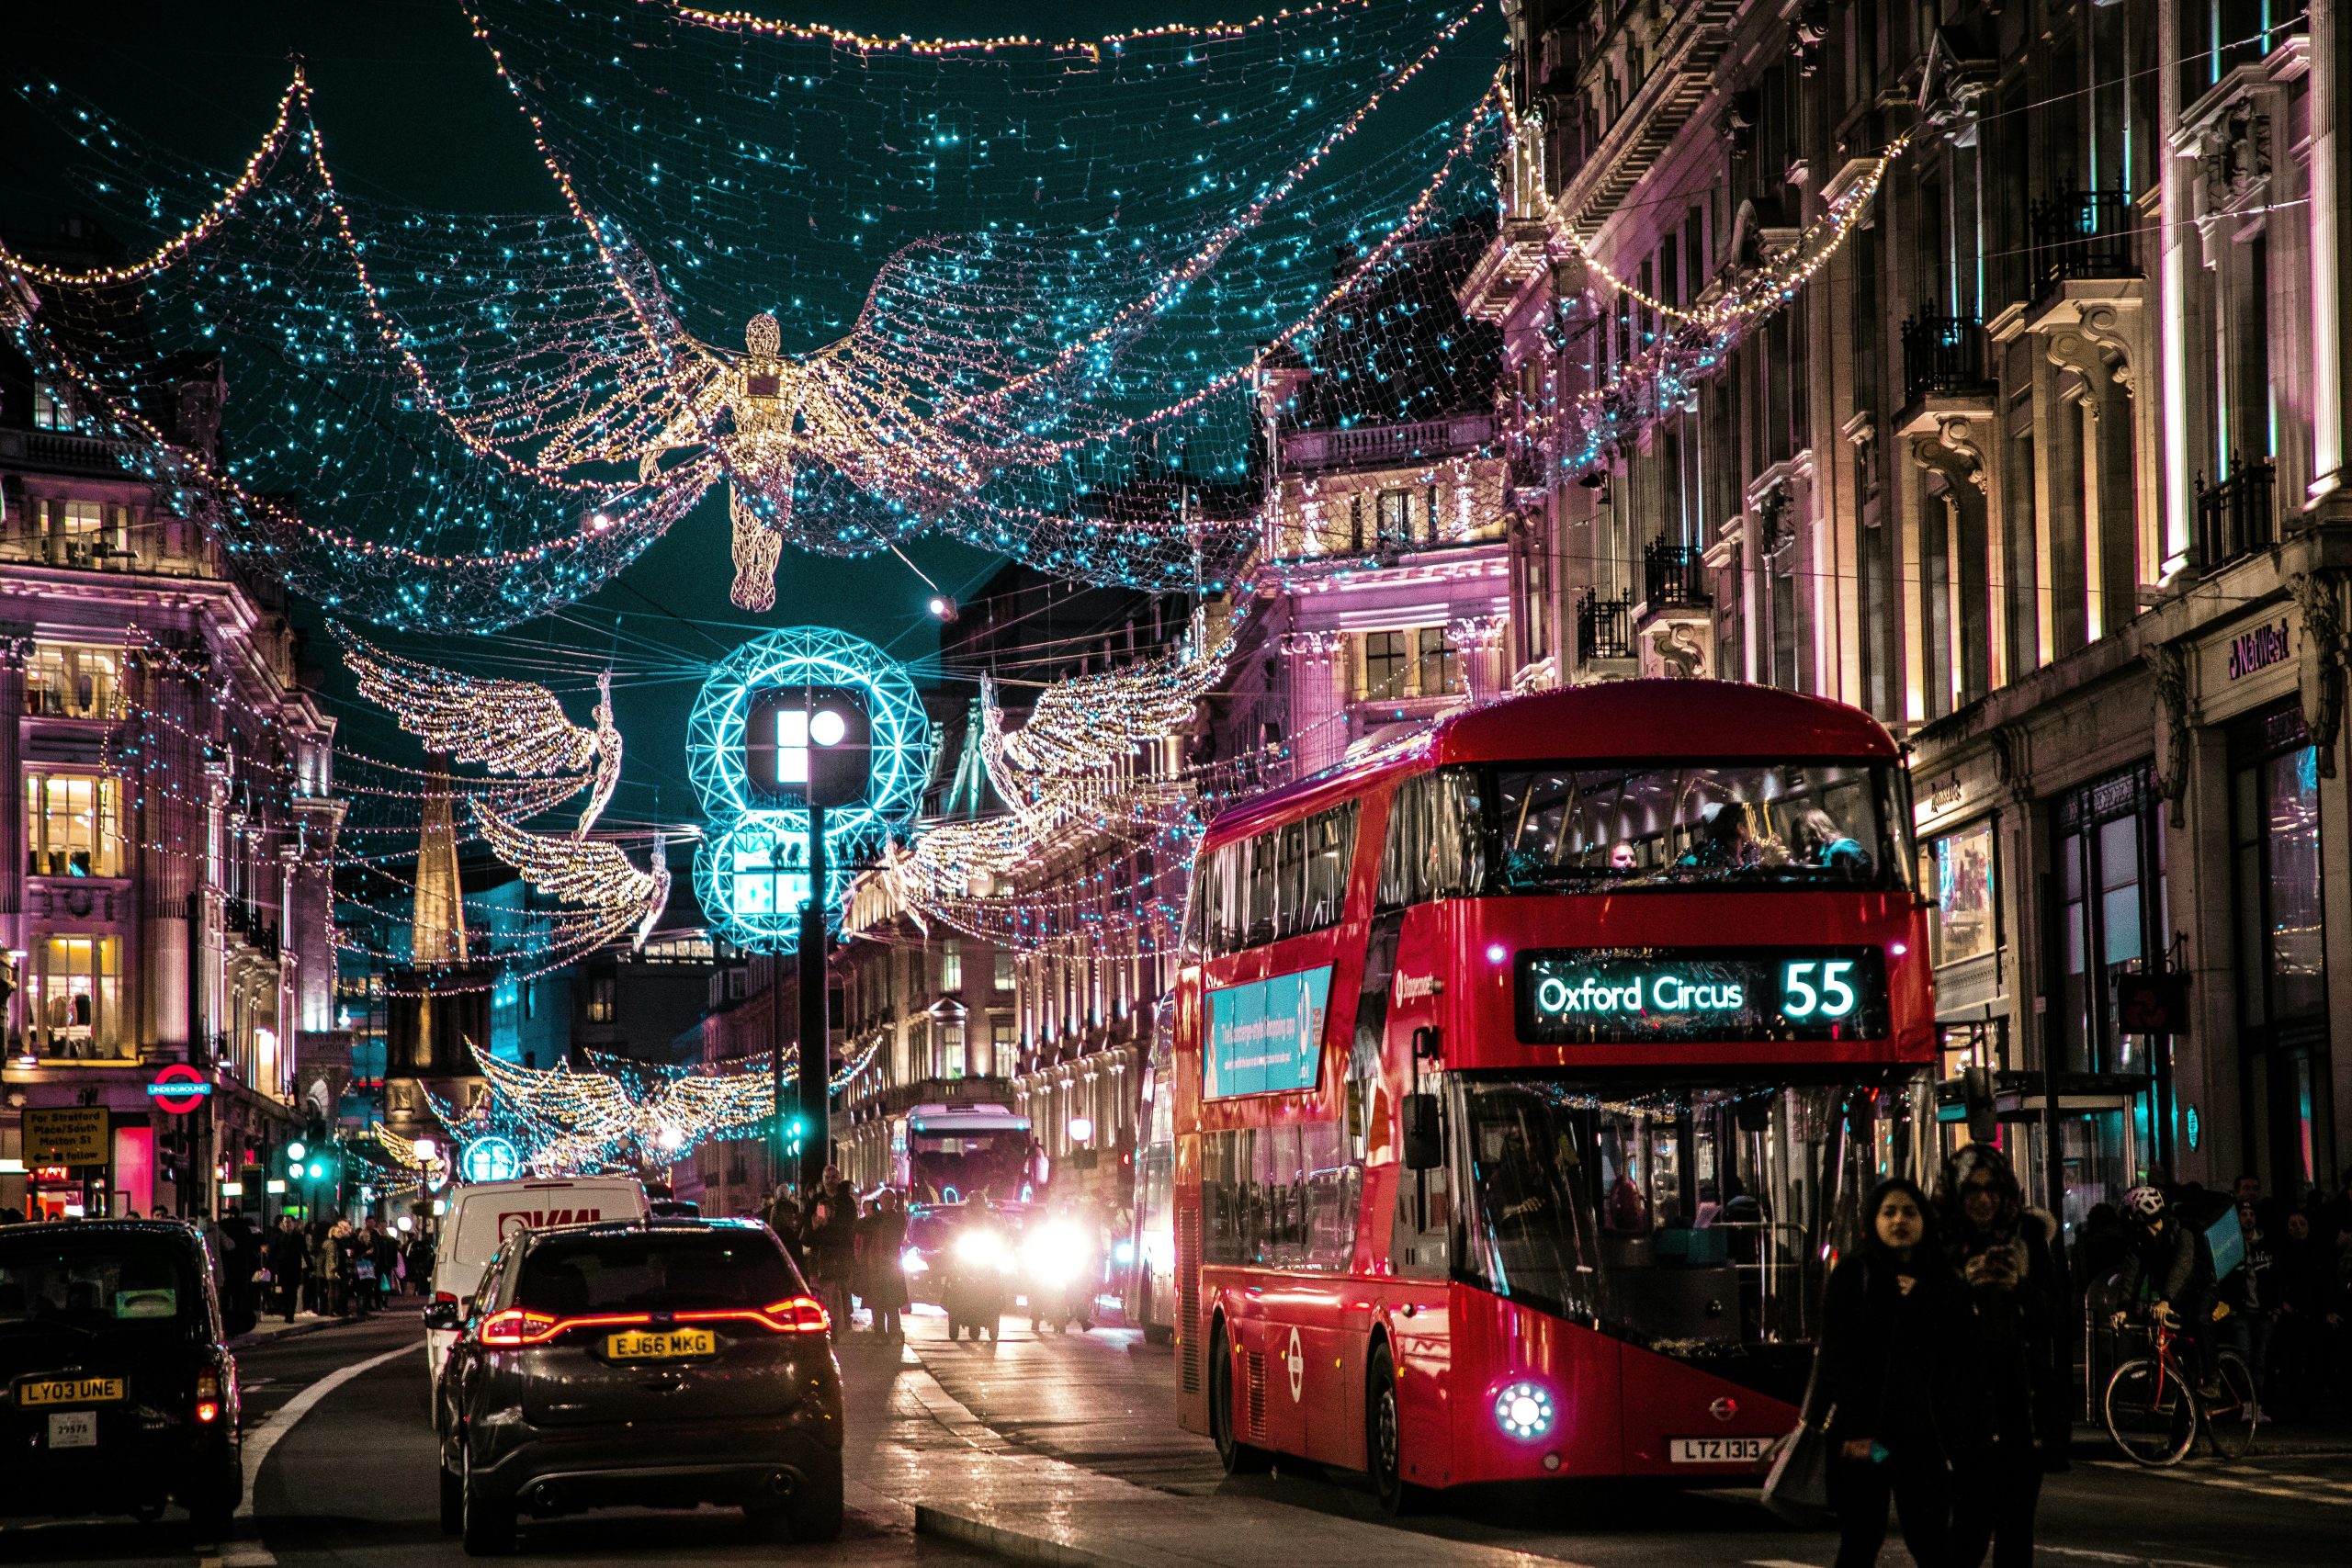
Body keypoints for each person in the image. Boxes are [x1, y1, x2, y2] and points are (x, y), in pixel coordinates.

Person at [1812, 1178, 1969, 1568]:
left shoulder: (1941, 1278)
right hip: (1869, 1439)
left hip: (1924, 1439)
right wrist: (1846, 1431)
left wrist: (1922, 1299)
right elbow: (1836, 1356)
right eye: (1889, 1212)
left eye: (1910, 1212)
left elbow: (1959, 1352)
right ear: (1873, 1220)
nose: (1900, 1221)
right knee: (1862, 1538)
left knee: (1930, 1539)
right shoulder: (1854, 1274)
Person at [1940, 1145, 2067, 1568]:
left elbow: (2054, 1318)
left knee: (2016, 1533)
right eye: (1972, 1189)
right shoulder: (1941, 1243)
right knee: (1969, 1530)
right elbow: (1923, 1326)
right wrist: (1964, 1288)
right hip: (1962, 1409)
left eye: (1992, 1189)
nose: (1983, 1199)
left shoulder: (2027, 1237)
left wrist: (2020, 1288)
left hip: (2021, 1409)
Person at [2111, 1183, 2220, 1397]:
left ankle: (2213, 1381)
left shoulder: (2182, 1231)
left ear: (2140, 1215)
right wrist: (2123, 1307)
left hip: (2201, 1288)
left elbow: (2183, 1267)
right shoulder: (2141, 1240)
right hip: (2172, 1296)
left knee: (2199, 1320)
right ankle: (2186, 1407)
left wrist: (2166, 1300)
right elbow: (2132, 1274)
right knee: (2176, 1348)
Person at [2216, 1201, 2274, 1420]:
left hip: (2263, 1312)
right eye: (2244, 1214)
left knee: (2259, 1360)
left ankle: (2255, 1404)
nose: (2248, 1218)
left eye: (2251, 1214)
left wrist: (2274, 1308)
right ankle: (2247, 1403)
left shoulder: (2265, 1245)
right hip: (2240, 1311)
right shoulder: (2231, 1245)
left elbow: (2274, 1278)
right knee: (2244, 1357)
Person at [861, 1190, 910, 1337]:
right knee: (877, 1302)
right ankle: (880, 1333)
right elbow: (860, 1229)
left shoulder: (898, 1217)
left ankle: (894, 1333)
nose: (888, 1201)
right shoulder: (873, 1219)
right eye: (885, 1198)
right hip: (875, 1265)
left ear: (894, 1201)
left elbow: (896, 1234)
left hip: (891, 1266)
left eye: (891, 1199)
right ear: (880, 1201)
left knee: (892, 1302)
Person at [269, 1217, 308, 1323]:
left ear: (294, 1224)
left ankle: (290, 1314)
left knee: (293, 1291)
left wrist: (310, 1267)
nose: (286, 1224)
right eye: (285, 1222)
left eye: (289, 1222)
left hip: (294, 1267)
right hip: (282, 1268)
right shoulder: (279, 1236)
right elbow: (273, 1251)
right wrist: (268, 1266)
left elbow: (304, 1252)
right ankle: (286, 1312)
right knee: (285, 1291)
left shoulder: (299, 1237)